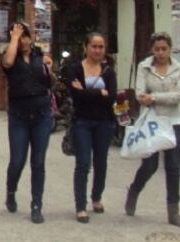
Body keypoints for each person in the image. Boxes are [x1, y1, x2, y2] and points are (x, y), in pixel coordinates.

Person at [125, 32, 180, 226]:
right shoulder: (144, 67)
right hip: (152, 122)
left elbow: (177, 97)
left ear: (170, 49)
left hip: (174, 121)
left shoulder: (177, 68)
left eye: (164, 49)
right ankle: (133, 191)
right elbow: (140, 94)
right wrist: (150, 98)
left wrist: (154, 97)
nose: (160, 53)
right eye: (157, 49)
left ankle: (173, 211)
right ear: (152, 49)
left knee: (174, 167)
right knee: (150, 165)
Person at [1, 22, 54, 224]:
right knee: (17, 161)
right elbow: (6, 63)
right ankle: (11, 191)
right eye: (18, 36)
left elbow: (50, 83)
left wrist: (50, 69)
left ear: (31, 38)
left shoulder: (40, 57)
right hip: (19, 116)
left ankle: (36, 205)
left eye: (25, 36)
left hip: (41, 115)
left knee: (38, 162)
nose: (22, 40)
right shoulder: (10, 58)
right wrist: (13, 38)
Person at [65, 32, 117, 223]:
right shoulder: (75, 69)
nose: (97, 50)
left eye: (101, 47)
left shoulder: (108, 71)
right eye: (94, 46)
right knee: (83, 163)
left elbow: (111, 97)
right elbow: (76, 97)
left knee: (101, 162)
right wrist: (99, 93)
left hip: (105, 122)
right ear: (85, 47)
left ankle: (96, 197)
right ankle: (80, 206)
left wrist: (87, 92)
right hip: (82, 122)